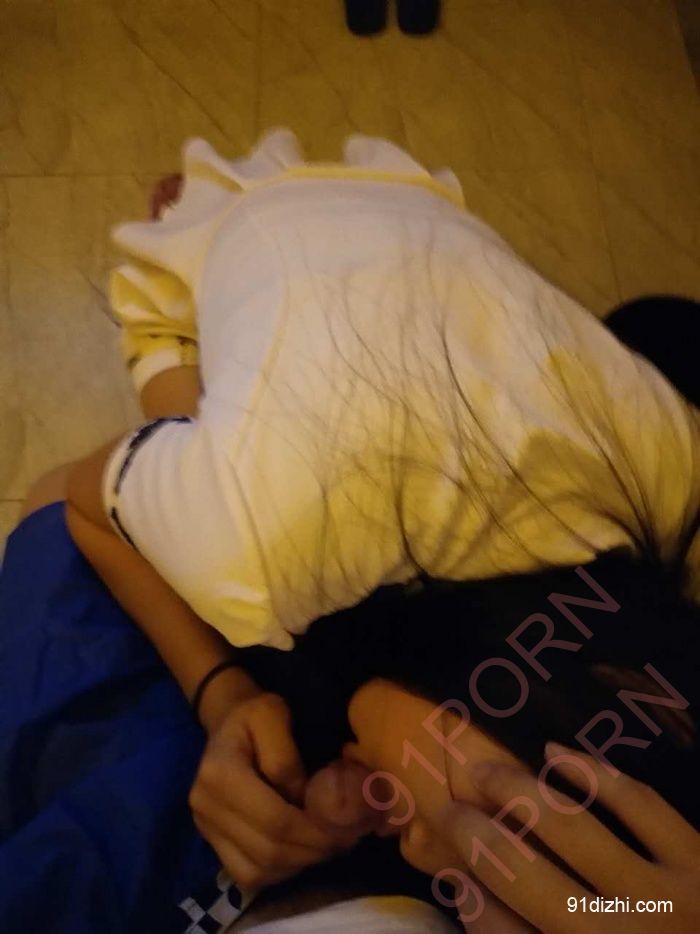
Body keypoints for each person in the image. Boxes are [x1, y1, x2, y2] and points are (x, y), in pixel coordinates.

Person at [5, 126, 700, 929]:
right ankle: (202, 227)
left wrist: (232, 705)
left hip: (441, 255)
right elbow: (81, 504)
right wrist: (218, 686)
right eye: (491, 843)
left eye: (453, 896)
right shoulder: (264, 538)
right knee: (185, 429)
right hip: (299, 231)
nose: (419, 860)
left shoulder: (665, 488)